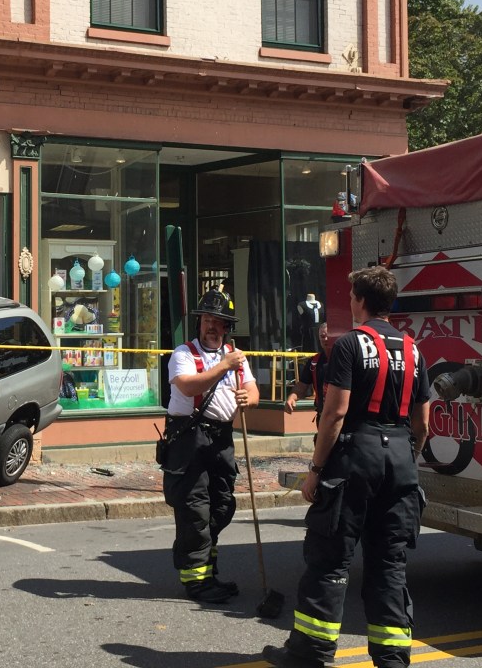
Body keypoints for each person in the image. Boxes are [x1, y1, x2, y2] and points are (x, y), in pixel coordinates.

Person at [263, 266, 430, 668]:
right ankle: (391, 659)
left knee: (330, 559)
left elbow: (334, 414)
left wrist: (316, 469)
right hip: (400, 460)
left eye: (352, 294)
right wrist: (408, 457)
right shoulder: (413, 349)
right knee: (389, 563)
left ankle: (310, 654)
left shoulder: (350, 345)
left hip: (355, 458)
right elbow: (423, 423)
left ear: (359, 300)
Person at [161, 289, 260, 603]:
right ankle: (197, 582)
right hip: (189, 438)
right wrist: (225, 365)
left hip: (221, 438)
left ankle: (208, 570)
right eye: (207, 320)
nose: (212, 327)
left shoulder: (236, 357)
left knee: (222, 504)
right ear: (199, 323)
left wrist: (250, 398)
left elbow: (252, 390)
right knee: (195, 509)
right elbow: (189, 385)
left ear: (227, 326)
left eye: (218, 321)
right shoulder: (184, 354)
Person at [284, 322, 332, 424]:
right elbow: (302, 385)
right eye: (322, 336)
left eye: (328, 336)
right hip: (322, 416)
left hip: (344, 418)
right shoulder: (314, 362)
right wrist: (292, 398)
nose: (325, 339)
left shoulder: (345, 359)